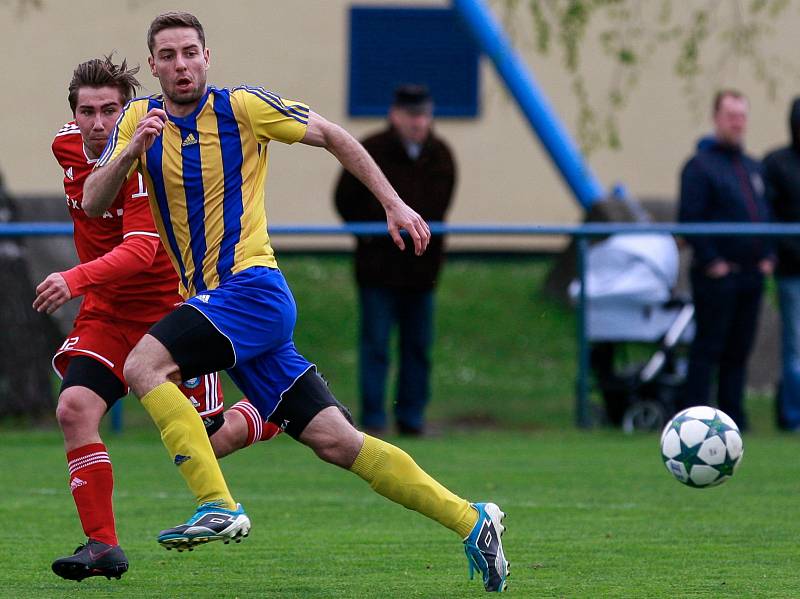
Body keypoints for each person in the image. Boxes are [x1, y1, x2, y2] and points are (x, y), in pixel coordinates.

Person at [82, 12, 509, 592]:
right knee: (339, 443)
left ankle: (219, 506)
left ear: (208, 56)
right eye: (168, 56)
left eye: (189, 53)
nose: (180, 65)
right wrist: (131, 150)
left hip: (251, 288)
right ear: (153, 65)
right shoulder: (137, 120)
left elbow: (333, 135)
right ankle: (471, 519)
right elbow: (92, 199)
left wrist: (394, 204)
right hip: (222, 307)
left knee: (142, 365)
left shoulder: (243, 109)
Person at [37, 55, 279, 582]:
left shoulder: (149, 159)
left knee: (209, 442)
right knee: (74, 409)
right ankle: (102, 546)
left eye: (109, 111)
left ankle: (273, 411)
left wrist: (74, 278)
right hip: (107, 313)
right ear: (73, 114)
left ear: (128, 113)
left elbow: (145, 249)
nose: (98, 124)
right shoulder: (66, 145)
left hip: (170, 315)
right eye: (87, 111)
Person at [334, 85, 456, 436]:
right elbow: (345, 199)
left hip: (421, 271)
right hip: (379, 270)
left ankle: (412, 418)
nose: (420, 123)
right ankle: (373, 419)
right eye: (413, 115)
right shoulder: (370, 149)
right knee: (376, 346)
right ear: (395, 115)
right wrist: (373, 235)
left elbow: (438, 205)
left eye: (425, 116)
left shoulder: (440, 154)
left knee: (417, 347)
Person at [677, 89, 774, 431]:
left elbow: (767, 215)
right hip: (717, 276)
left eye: (742, 115)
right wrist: (712, 261)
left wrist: (768, 255)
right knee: (708, 348)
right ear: (716, 118)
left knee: (739, 351)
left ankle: (734, 422)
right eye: (731, 115)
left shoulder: (752, 168)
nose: (737, 122)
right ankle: (693, 421)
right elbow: (689, 218)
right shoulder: (700, 167)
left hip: (751, 276)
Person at [763, 97, 800, 432]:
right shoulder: (777, 164)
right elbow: (770, 218)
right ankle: (792, 417)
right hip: (792, 272)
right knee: (795, 346)